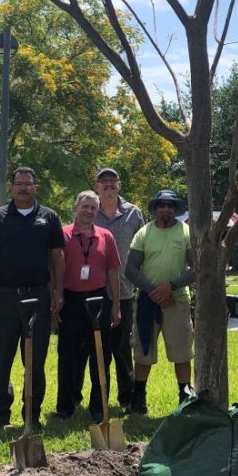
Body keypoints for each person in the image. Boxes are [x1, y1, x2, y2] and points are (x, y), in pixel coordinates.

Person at [0, 167, 65, 429]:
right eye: (19, 184)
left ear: (36, 187)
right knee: (1, 357)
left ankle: (32, 415)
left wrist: (58, 291)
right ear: (12, 188)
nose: (23, 188)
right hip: (3, 297)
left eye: (28, 183)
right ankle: (0, 416)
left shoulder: (48, 217)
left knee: (35, 360)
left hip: (37, 296)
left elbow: (57, 256)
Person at [124, 189, 194, 414]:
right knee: (143, 352)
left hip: (177, 300)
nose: (166, 209)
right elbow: (131, 269)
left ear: (176, 209)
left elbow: (196, 268)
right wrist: (154, 291)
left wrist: (170, 287)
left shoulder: (186, 233)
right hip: (147, 301)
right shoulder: (144, 233)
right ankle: (138, 398)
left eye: (170, 205)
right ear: (155, 208)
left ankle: (184, 396)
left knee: (182, 352)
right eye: (162, 205)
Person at [56, 190, 122, 423]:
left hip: (98, 299)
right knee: (67, 354)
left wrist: (115, 305)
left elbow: (113, 271)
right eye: (85, 206)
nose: (89, 211)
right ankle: (65, 406)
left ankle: (98, 405)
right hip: (70, 299)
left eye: (93, 208)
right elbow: (53, 269)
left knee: (101, 355)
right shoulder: (62, 235)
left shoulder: (106, 236)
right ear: (76, 208)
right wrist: (56, 296)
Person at [93, 167, 145, 408]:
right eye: (104, 182)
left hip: (124, 292)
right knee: (96, 349)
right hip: (93, 291)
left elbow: (143, 250)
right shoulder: (90, 210)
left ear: (119, 185)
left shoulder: (134, 214)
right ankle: (98, 397)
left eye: (112, 181)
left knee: (123, 349)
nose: (108, 185)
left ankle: (127, 398)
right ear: (97, 187)